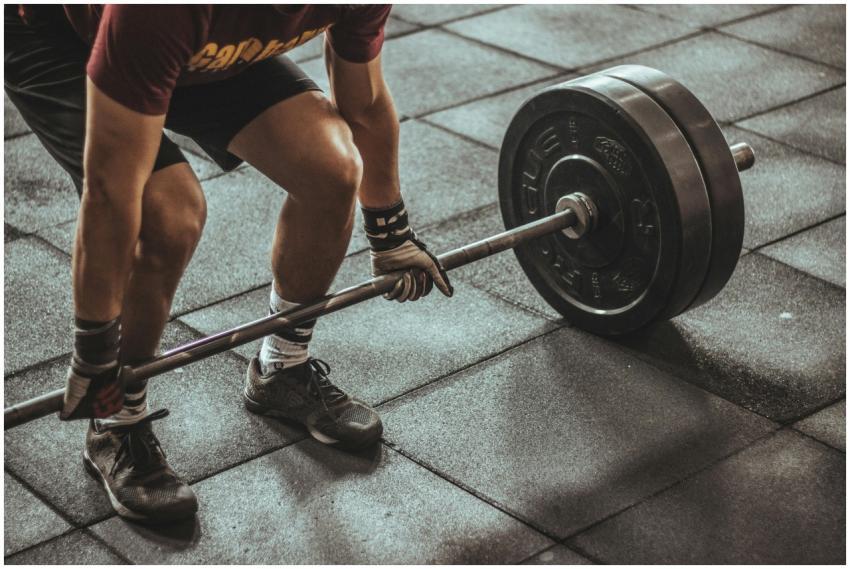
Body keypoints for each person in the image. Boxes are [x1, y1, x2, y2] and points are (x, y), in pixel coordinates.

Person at [5, 4, 453, 524]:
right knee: (167, 213)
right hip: (60, 38)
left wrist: (390, 233)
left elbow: (365, 103)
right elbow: (110, 194)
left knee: (332, 167)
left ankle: (281, 369)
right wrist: (94, 349)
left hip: (198, 44)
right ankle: (116, 422)